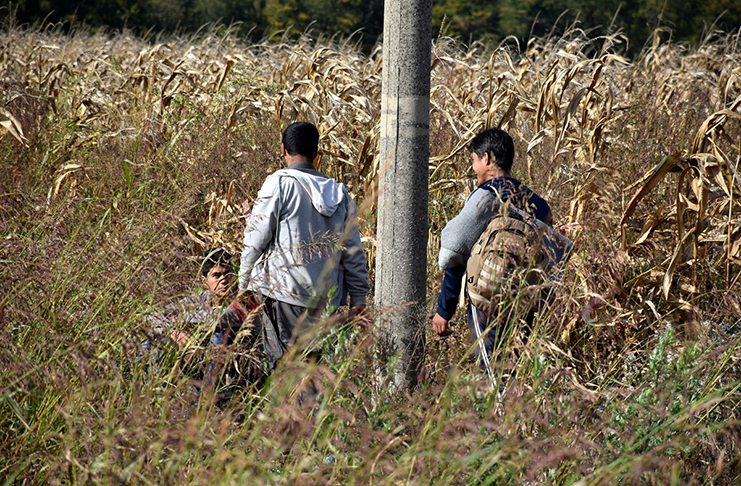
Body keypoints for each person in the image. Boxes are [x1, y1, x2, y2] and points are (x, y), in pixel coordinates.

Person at [239, 121, 370, 371]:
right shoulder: (340, 194)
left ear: (283, 150)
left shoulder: (279, 184)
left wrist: (242, 282)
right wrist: (359, 299)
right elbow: (353, 253)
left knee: (285, 371)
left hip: (283, 296)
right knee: (314, 370)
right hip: (326, 301)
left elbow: (255, 239)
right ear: (316, 153)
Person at [431, 127, 552, 376]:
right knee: (514, 372)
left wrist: (444, 309)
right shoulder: (539, 204)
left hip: (487, 303)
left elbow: (455, 252)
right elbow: (550, 258)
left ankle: (495, 414)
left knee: (491, 374)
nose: (473, 167)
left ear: (486, 158)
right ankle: (513, 414)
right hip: (524, 304)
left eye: (474, 160)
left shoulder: (486, 197)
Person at [146, 249, 261, 391]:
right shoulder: (201, 298)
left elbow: (220, 318)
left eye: (228, 274)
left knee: (218, 336)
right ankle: (152, 392)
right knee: (153, 339)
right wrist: (174, 331)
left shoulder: (243, 297)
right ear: (204, 280)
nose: (224, 280)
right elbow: (152, 316)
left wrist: (179, 319)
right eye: (216, 275)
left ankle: (211, 400)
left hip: (240, 360)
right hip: (200, 353)